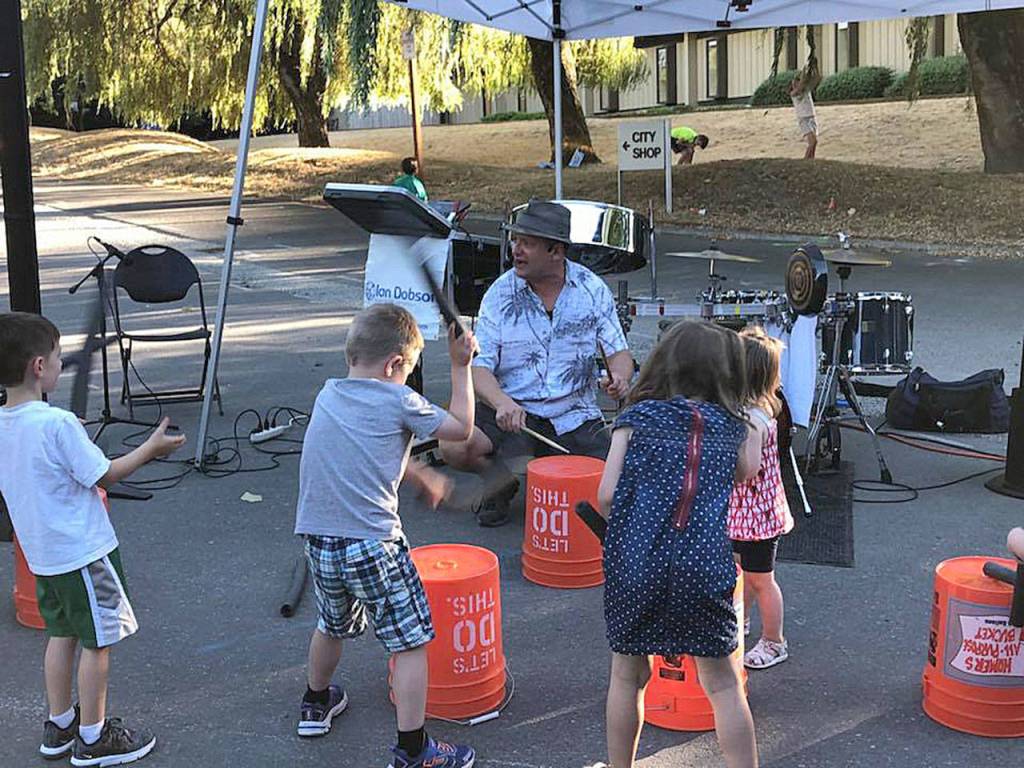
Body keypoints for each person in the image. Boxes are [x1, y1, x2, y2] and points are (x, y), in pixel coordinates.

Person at [294, 303, 478, 768]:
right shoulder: (399, 399)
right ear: (395, 364)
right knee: (411, 642)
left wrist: (418, 476)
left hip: (320, 541)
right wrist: (461, 367)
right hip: (373, 543)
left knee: (331, 624)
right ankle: (415, 751)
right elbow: (462, 432)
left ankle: (315, 703)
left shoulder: (329, 393)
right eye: (407, 370)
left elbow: (363, 448)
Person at [0, 311, 185, 766]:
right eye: (59, 356)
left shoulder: (9, 424)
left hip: (43, 558)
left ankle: (60, 725)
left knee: (61, 634)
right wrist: (151, 449)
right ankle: (94, 736)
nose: (62, 363)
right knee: (98, 642)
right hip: (83, 554)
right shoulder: (56, 424)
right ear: (38, 367)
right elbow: (105, 473)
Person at [594, 321, 761, 768]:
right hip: (705, 565)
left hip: (638, 563)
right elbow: (747, 470)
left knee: (628, 675)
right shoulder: (730, 427)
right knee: (724, 684)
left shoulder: (635, 419)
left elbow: (606, 495)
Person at [438, 200, 634, 527]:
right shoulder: (500, 294)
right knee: (454, 445)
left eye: (527, 243)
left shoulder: (592, 290)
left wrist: (620, 377)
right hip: (513, 410)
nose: (516, 249)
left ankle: (558, 471)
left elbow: (619, 353)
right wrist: (502, 402)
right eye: (516, 240)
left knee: (616, 475)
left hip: (574, 415)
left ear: (556, 252)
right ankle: (498, 481)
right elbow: (479, 366)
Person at [728, 327, 794, 671]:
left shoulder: (752, 420)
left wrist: (724, 463)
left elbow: (748, 469)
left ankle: (774, 641)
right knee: (743, 572)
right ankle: (741, 621)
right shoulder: (753, 409)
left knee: (761, 579)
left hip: (757, 515)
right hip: (747, 513)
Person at [788, 69, 819, 159]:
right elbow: (800, 87)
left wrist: (814, 67)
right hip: (803, 119)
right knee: (812, 141)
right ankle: (806, 159)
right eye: (793, 84)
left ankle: (811, 158)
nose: (795, 85)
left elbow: (816, 80)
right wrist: (804, 74)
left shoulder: (806, 90)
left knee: (814, 142)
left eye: (796, 82)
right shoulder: (794, 94)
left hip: (811, 117)